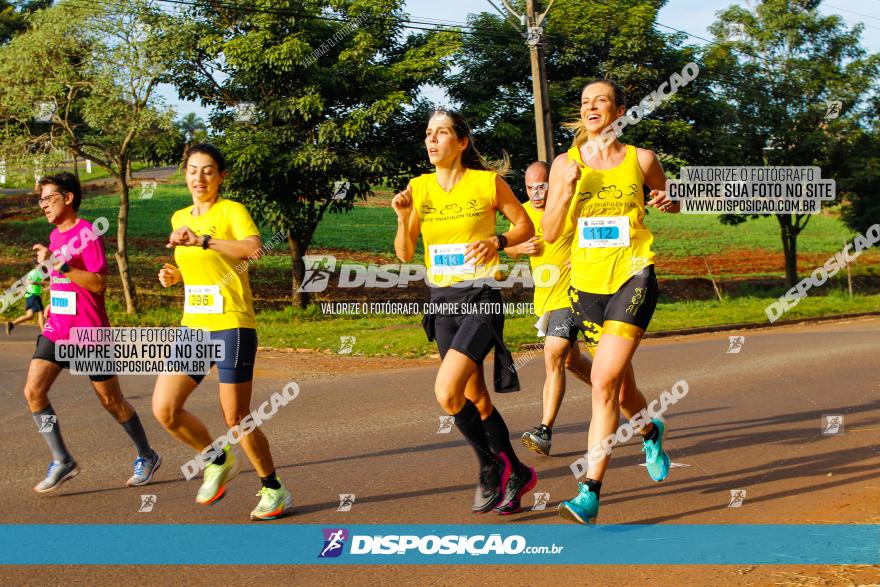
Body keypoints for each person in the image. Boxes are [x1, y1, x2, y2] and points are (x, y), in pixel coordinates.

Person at [542, 79, 678, 525]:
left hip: (633, 277)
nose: (591, 107)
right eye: (584, 102)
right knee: (621, 390)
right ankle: (649, 428)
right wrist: (562, 188)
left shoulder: (642, 159)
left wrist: (668, 200)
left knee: (602, 382)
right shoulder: (566, 162)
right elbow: (549, 232)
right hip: (585, 285)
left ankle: (589, 493)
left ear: (620, 110)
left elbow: (666, 200)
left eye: (601, 100)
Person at [392, 109, 538, 515]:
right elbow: (405, 253)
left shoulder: (486, 182)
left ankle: (494, 467)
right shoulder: (418, 188)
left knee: (446, 392)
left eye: (441, 133)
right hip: (442, 304)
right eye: (427, 133)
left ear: (461, 142)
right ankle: (511, 471)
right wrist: (404, 218)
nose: (432, 140)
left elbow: (525, 225)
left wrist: (499, 240)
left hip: (481, 298)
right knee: (475, 398)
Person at [152, 143, 292, 521]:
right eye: (193, 170)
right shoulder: (179, 215)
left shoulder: (232, 211)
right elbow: (200, 268)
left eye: (208, 170)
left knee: (237, 418)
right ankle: (216, 458)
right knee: (165, 409)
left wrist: (203, 240)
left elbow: (254, 250)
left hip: (231, 324)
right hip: (193, 326)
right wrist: (175, 274)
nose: (200, 178)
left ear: (221, 176)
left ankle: (273, 489)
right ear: (184, 174)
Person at [24, 172, 161, 493]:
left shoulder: (87, 233)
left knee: (112, 401)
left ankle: (147, 454)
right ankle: (62, 459)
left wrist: (59, 264)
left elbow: (98, 284)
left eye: (48, 198)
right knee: (33, 392)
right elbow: (61, 281)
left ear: (68, 198)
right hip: (57, 331)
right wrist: (49, 308)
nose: (43, 205)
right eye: (40, 199)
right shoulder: (55, 235)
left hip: (89, 334)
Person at [504, 161, 592, 456]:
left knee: (553, 354)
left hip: (571, 296)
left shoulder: (568, 206)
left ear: (552, 184)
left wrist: (580, 254)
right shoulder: (525, 214)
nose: (536, 192)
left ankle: (544, 430)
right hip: (545, 301)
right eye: (530, 187)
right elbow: (507, 246)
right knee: (571, 362)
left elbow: (594, 234)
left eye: (541, 185)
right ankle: (615, 391)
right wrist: (520, 249)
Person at [6, 262, 47, 334]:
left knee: (29, 315)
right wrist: (41, 284)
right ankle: (44, 333)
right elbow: (30, 281)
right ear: (37, 265)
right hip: (34, 295)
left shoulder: (33, 272)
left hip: (30, 295)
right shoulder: (35, 272)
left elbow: (27, 282)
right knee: (40, 312)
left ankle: (12, 323)